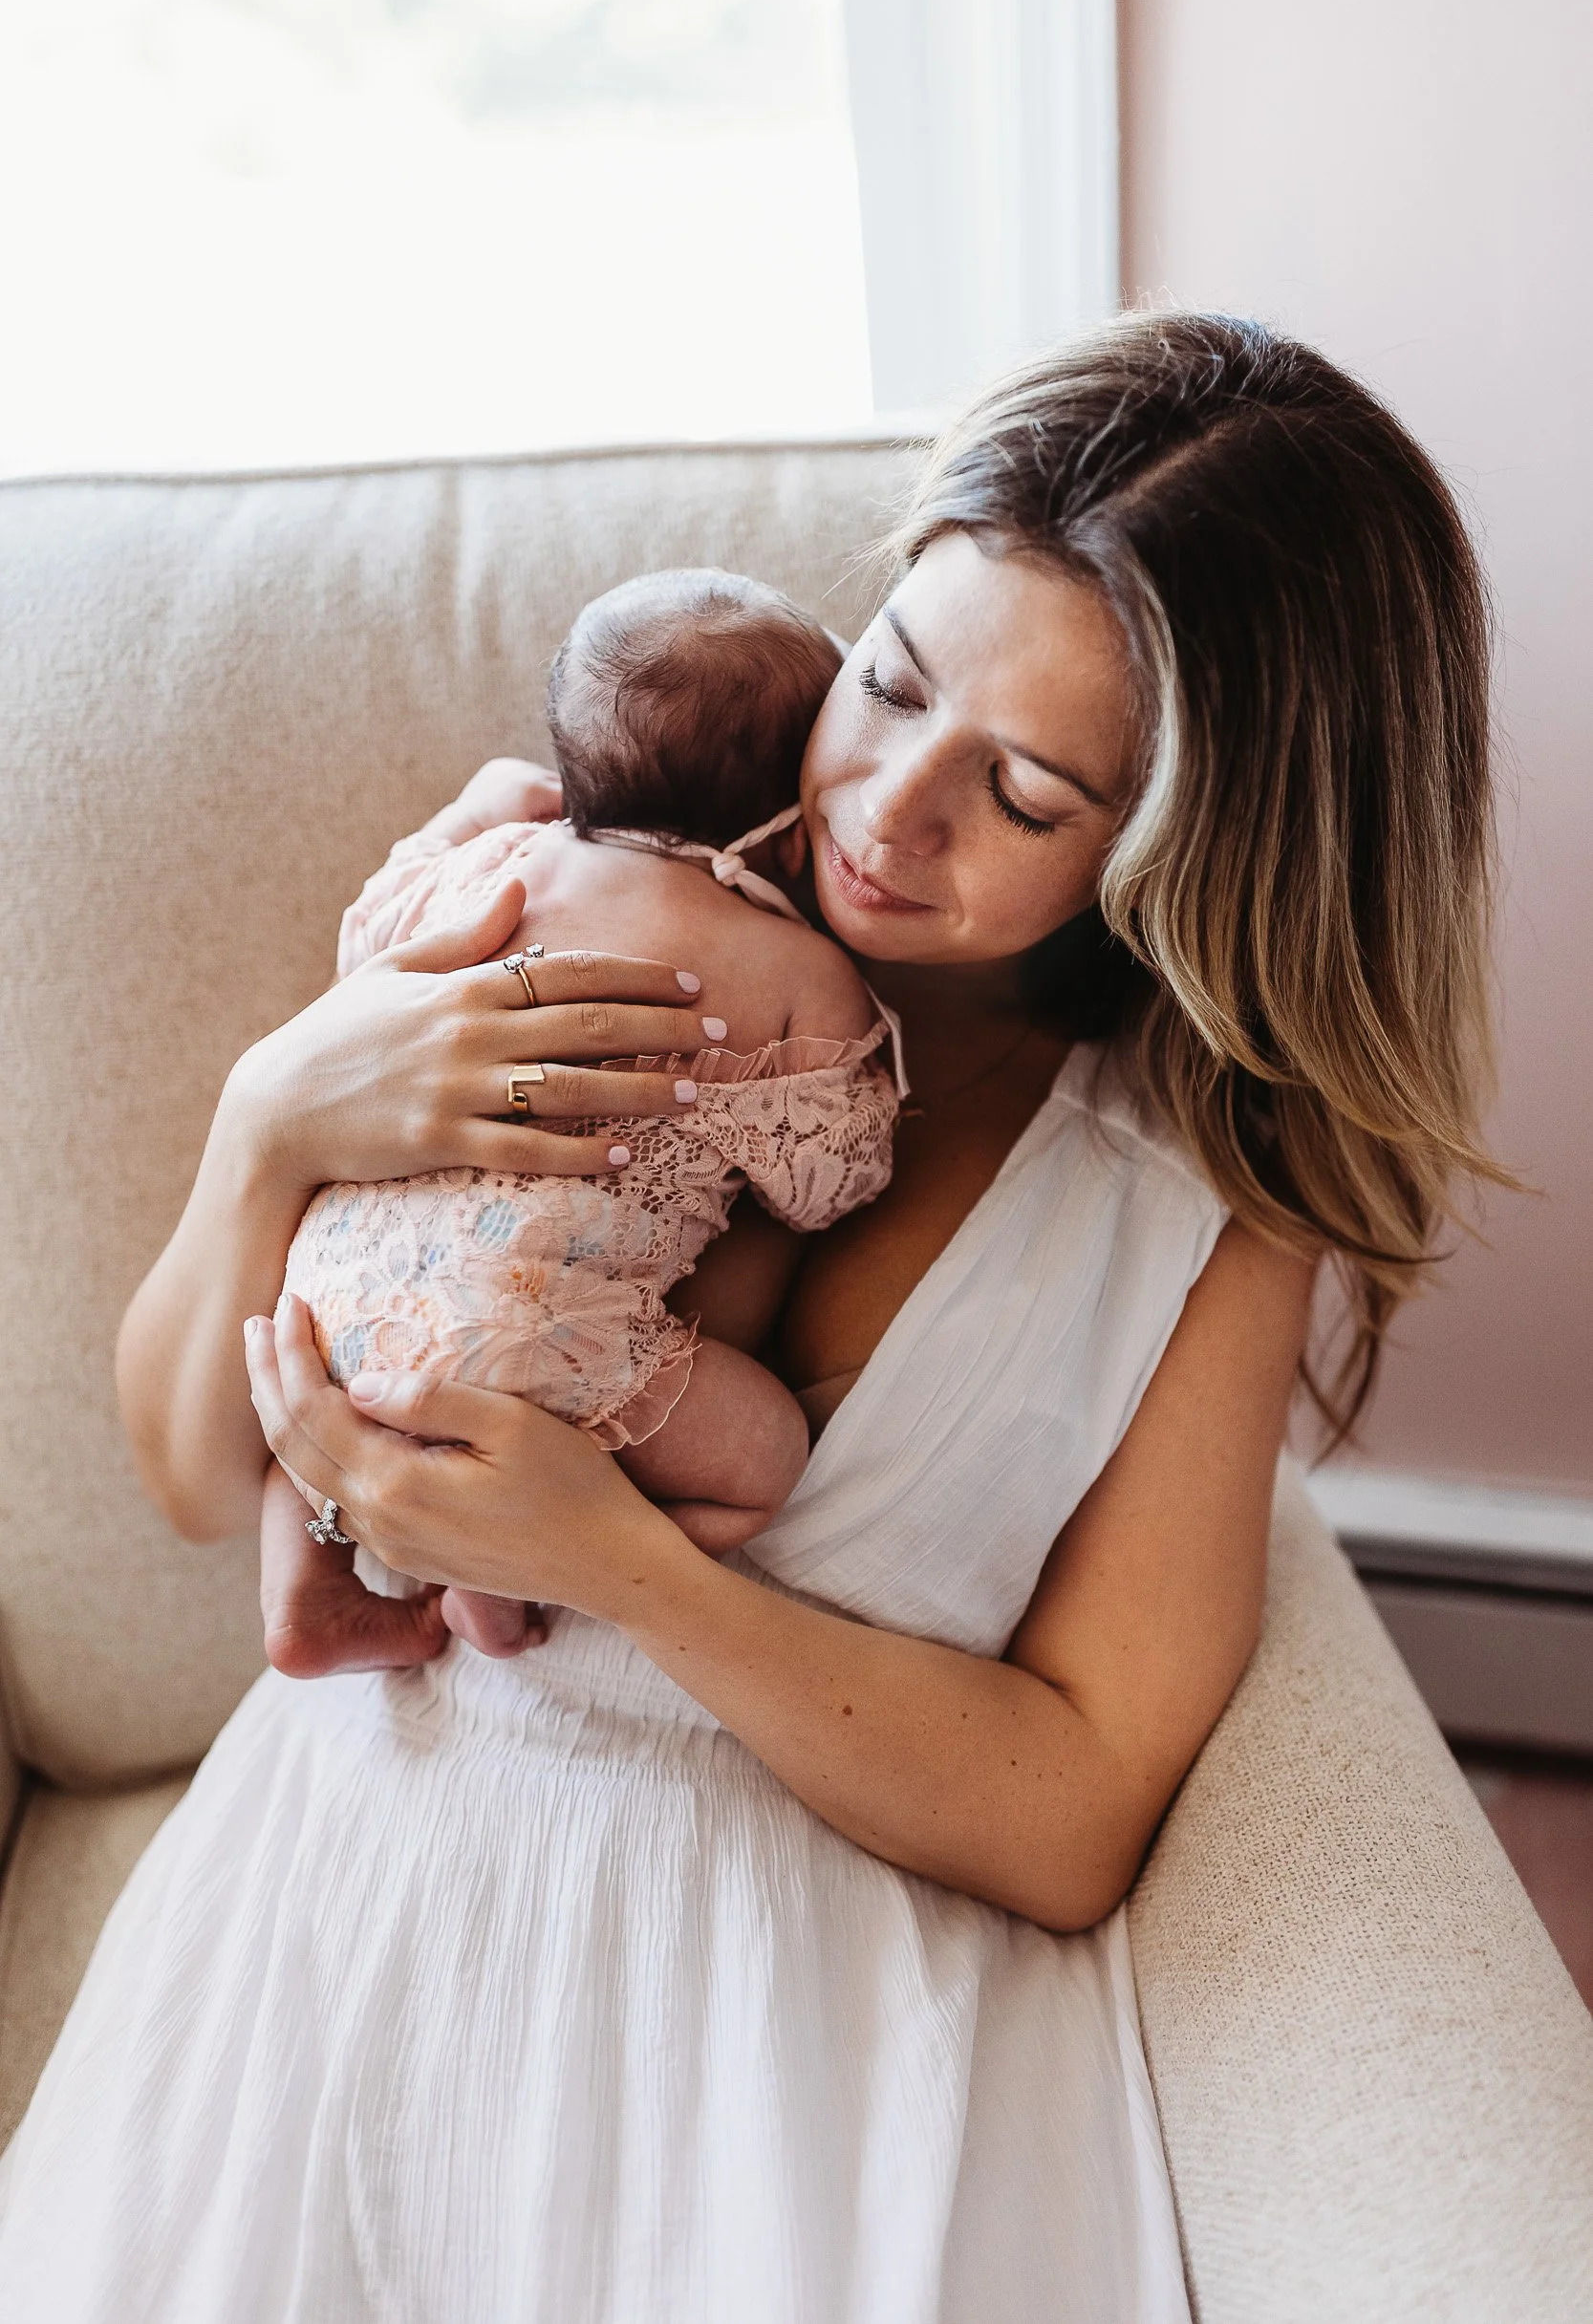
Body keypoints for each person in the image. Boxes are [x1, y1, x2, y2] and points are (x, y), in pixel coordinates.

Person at [0, 315, 1501, 2324]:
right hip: (344, 1883)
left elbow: (1068, 1812)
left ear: (1178, 851)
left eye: (1025, 790)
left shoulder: (1186, 1206)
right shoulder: (560, 872)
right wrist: (272, 1118)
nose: (883, 806)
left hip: (775, 2001)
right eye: (886, 677)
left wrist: (615, 1564)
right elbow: (194, 1470)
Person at [267, 568, 898, 1671]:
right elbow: (828, 1183)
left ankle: (311, 1587)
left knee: (308, 1420)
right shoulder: (789, 973)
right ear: (791, 830)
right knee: (768, 1459)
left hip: (325, 1299)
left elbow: (364, 945)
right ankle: (520, 1565)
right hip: (530, 1333)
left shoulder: (484, 867)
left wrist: (465, 817)